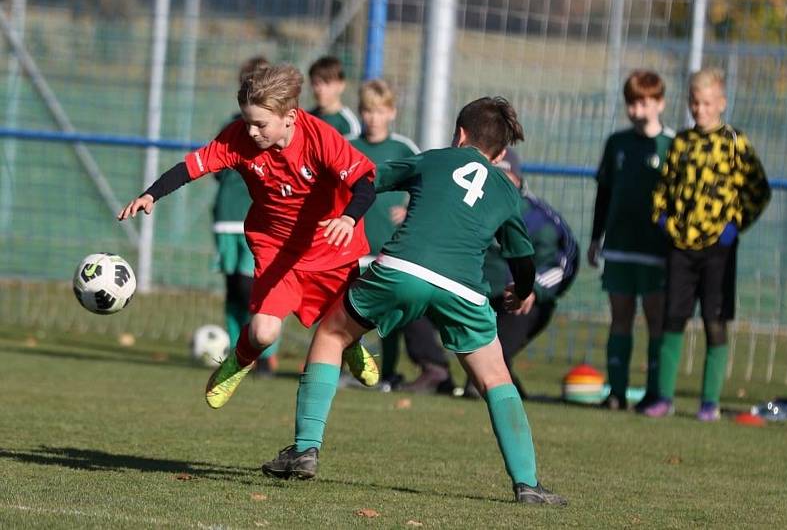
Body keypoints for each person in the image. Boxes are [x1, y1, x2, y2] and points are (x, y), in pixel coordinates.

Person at [261, 97, 567, 506]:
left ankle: (305, 449)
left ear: (460, 134)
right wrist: (523, 290)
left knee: (332, 335)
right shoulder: (506, 192)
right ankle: (527, 484)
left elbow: (367, 180)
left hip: (402, 268)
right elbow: (522, 258)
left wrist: (347, 214)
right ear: (499, 153)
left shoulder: (433, 160)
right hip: (463, 288)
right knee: (496, 379)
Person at [118, 64, 381, 409]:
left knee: (343, 325)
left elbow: (365, 181)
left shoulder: (320, 137)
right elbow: (193, 166)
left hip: (329, 247)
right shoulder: (238, 138)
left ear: (290, 117)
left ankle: (350, 345)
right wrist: (151, 194)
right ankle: (237, 362)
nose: (252, 132)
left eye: (260, 124)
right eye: (247, 122)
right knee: (262, 332)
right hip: (278, 249)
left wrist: (348, 217)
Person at [644, 67, 771, 421]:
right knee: (672, 318)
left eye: (707, 103)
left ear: (721, 104)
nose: (700, 110)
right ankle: (664, 398)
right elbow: (663, 189)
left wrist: (735, 224)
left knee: (715, 320)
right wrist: (663, 219)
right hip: (680, 247)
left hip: (719, 248)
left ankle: (709, 403)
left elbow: (759, 190)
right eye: (694, 103)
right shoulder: (682, 143)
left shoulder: (734, 143)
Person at [350, 79, 452, 393]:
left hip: (390, 248)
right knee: (347, 312)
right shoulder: (347, 144)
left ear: (391, 113)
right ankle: (351, 369)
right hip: (352, 245)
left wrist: (409, 208)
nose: (372, 118)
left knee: (388, 318)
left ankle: (387, 373)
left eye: (379, 111)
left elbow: (430, 186)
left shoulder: (404, 149)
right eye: (367, 111)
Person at [587, 70, 674, 411]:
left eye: (644, 103)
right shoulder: (617, 143)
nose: (636, 110)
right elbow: (604, 193)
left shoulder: (671, 144)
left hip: (656, 249)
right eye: (631, 103)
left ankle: (655, 392)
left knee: (656, 320)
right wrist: (597, 237)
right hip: (620, 245)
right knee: (620, 317)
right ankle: (616, 392)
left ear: (660, 103)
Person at [466, 148, 579, 400]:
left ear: (518, 179)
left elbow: (563, 262)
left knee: (486, 368)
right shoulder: (471, 208)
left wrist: (531, 288)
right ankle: (434, 371)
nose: (501, 183)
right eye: (495, 176)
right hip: (478, 297)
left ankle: (503, 392)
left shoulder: (539, 219)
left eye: (507, 176)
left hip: (521, 302)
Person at [212, 56, 279, 374]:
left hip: (259, 220)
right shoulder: (231, 127)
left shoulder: (273, 132)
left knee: (252, 288)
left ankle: (263, 352)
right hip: (226, 217)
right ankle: (236, 349)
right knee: (233, 289)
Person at [308, 56, 360, 139]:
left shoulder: (348, 124)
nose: (321, 89)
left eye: (327, 83)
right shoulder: (307, 118)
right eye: (316, 83)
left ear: (341, 85)